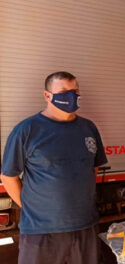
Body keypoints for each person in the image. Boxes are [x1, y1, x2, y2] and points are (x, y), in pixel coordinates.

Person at [0, 71, 107, 264]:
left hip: (85, 227)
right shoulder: (27, 130)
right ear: (47, 95)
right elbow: (9, 177)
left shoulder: (88, 128)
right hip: (41, 232)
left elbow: (93, 169)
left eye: (75, 90)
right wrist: (32, 208)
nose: (72, 95)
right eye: (64, 90)